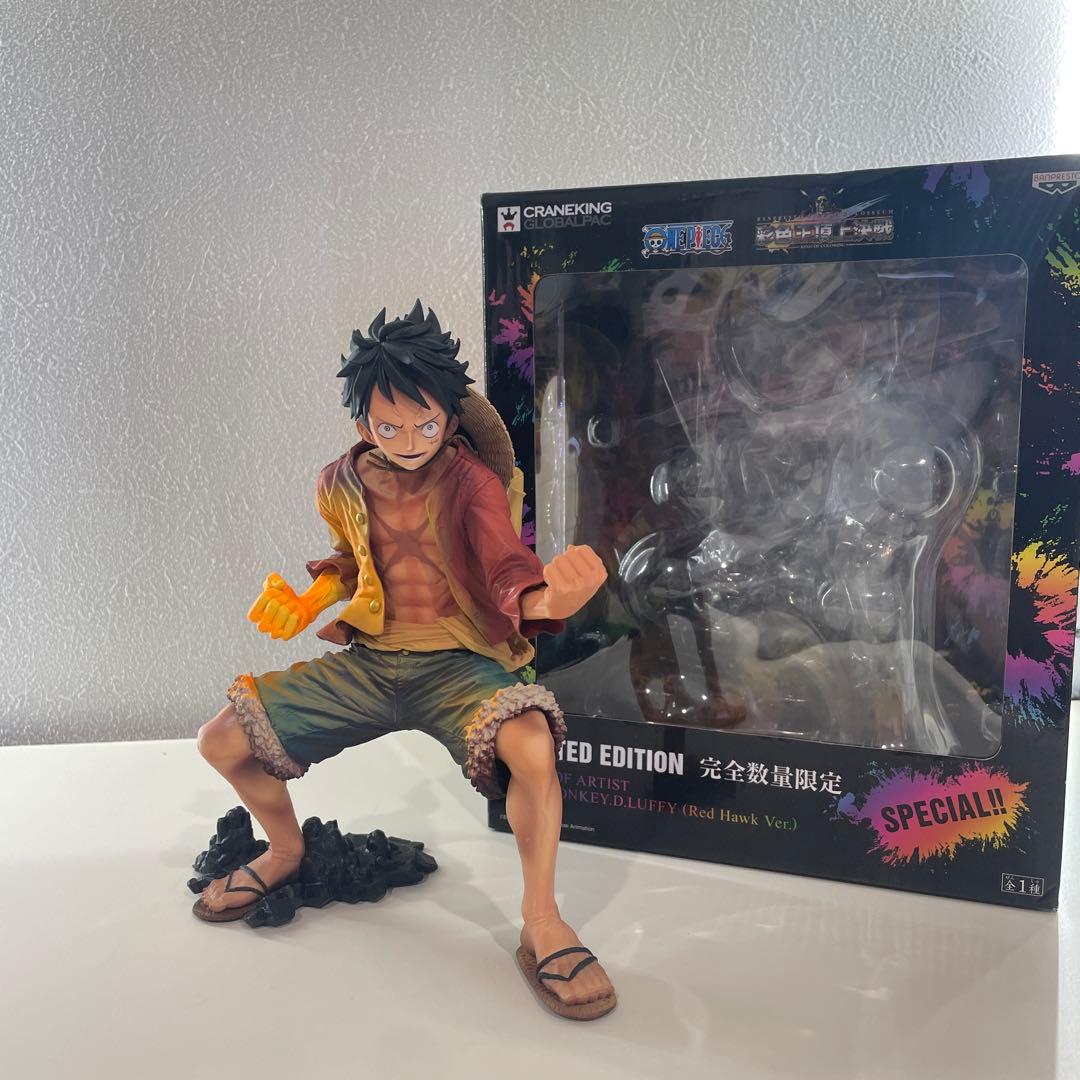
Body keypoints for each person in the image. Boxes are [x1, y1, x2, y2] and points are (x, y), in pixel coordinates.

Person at [194, 301, 616, 1020]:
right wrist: (309, 599)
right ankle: (285, 851)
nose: (409, 440)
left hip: (457, 664)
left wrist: (554, 598)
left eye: (425, 424)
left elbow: (506, 568)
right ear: (363, 423)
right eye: (389, 427)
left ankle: (543, 919)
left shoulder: (470, 483)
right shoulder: (339, 482)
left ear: (450, 417)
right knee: (222, 740)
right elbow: (351, 562)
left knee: (531, 746)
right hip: (369, 665)